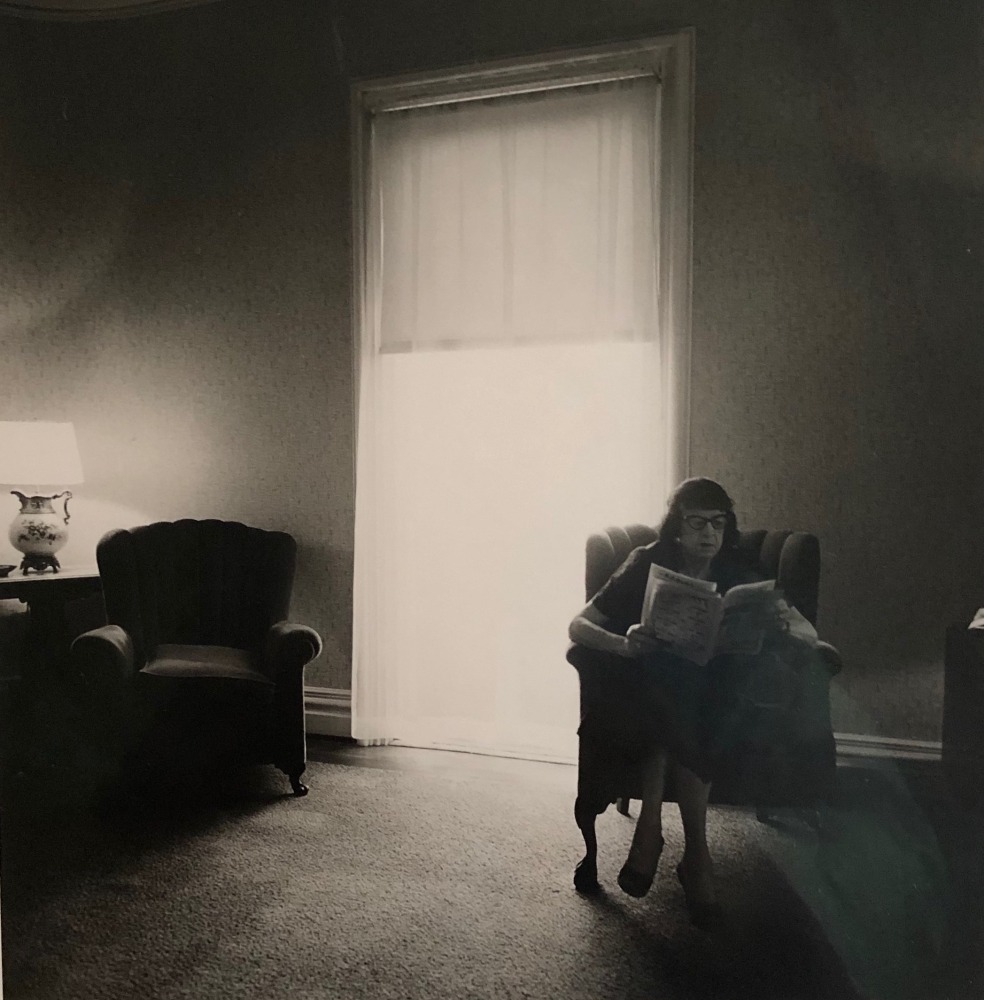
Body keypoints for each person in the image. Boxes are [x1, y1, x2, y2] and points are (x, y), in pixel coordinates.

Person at [568, 476, 814, 927]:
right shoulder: (647, 562)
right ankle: (696, 857)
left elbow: (810, 634)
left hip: (710, 696)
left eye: (718, 523)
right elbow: (578, 626)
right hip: (648, 688)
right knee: (674, 680)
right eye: (696, 522)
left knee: (691, 690)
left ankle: (651, 832)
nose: (709, 534)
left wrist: (780, 622)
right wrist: (625, 643)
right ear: (676, 528)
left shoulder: (739, 568)